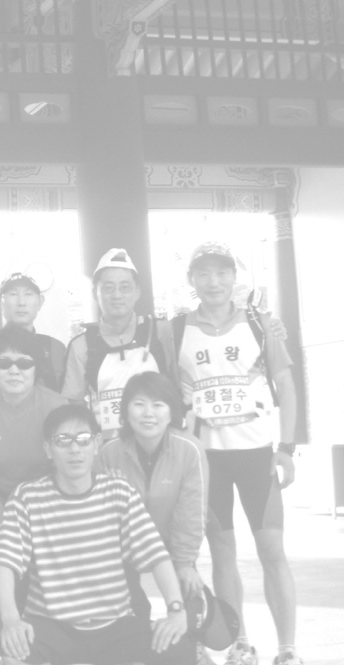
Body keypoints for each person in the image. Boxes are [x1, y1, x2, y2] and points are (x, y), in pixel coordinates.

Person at [0, 403, 194, 665]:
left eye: (84, 439)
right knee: (13, 654)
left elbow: (156, 555)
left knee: (179, 649)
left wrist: (176, 609)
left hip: (116, 626)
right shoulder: (27, 498)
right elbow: (5, 563)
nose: (74, 449)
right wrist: (10, 620)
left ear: (97, 444)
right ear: (48, 449)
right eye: (62, 440)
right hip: (51, 626)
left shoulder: (119, 492)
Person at [176, 242, 301, 665]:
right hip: (206, 461)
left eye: (222, 273)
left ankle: (287, 649)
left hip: (256, 456)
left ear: (234, 277)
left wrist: (286, 447)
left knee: (272, 551)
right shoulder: (175, 330)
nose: (213, 282)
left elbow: (286, 386)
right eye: (204, 273)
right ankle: (240, 643)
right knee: (222, 554)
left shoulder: (260, 325)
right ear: (191, 280)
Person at [0, 325, 67, 659]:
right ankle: (1, 648)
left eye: (24, 362)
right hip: (2, 497)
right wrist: (0, 513)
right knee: (3, 572)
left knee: (49, 573)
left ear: (36, 368)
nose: (14, 370)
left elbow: (65, 465)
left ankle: (50, 645)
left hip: (50, 499)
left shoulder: (56, 406)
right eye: (4, 363)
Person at [96, 372, 210, 661]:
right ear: (125, 411)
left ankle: (195, 649)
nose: (148, 413)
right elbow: (100, 516)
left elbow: (191, 512)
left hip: (172, 541)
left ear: (171, 412)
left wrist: (184, 563)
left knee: (189, 585)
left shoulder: (189, 450)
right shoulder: (109, 452)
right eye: (139, 404)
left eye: (158, 404)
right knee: (126, 618)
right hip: (123, 548)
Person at [62, 248, 180, 441]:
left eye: (125, 287)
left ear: (137, 292)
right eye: (108, 288)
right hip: (108, 447)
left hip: (159, 443)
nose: (117, 295)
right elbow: (74, 405)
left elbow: (179, 383)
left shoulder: (160, 332)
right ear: (95, 293)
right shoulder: (81, 346)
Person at [0, 270, 67, 392]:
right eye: (13, 294)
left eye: (28, 294)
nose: (21, 302)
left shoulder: (54, 348)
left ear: (40, 302)